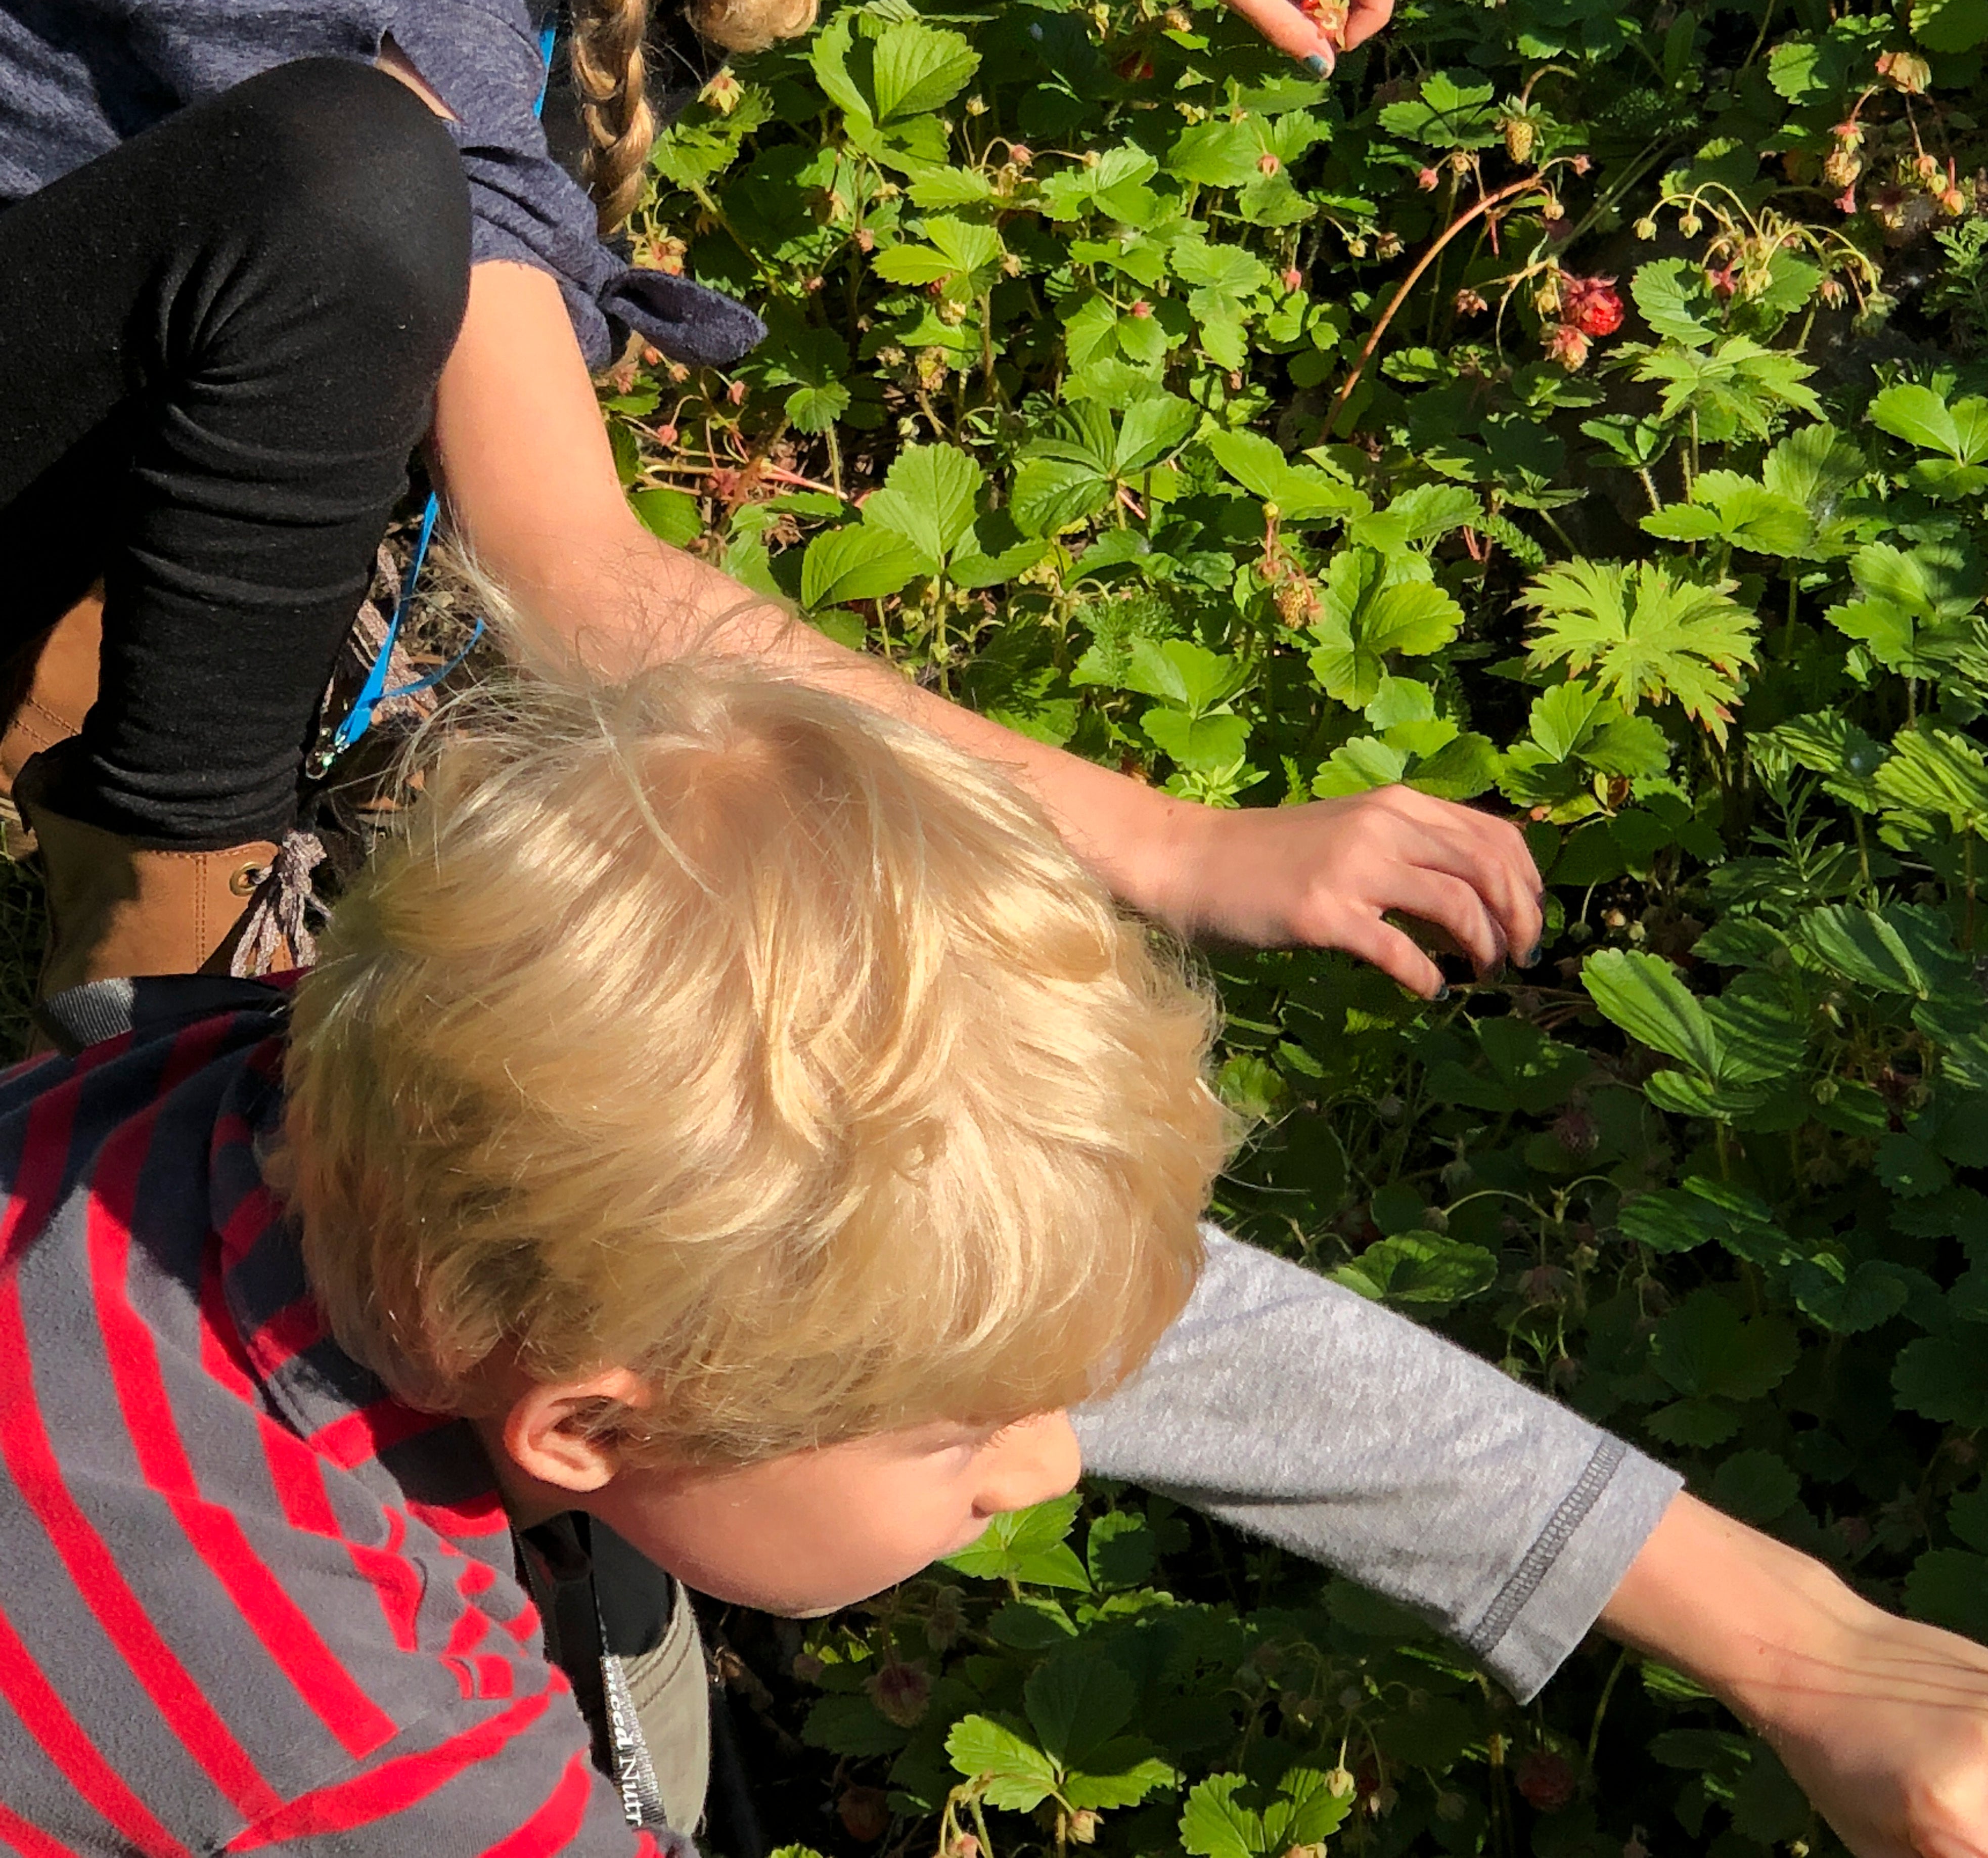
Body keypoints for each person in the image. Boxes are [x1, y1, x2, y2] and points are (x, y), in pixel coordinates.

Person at [0, 0, 1540, 1014]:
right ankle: (160, 948)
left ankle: (81, 645)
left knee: (348, 209)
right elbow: (581, 585)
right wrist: (1179, 847)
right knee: (356, 199)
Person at [3, 658, 1984, 1856]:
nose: (1045, 1465)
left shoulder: (356, 1085)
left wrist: (1800, 1645)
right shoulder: (353, 1729)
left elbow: (1078, 1322)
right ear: (592, 1421)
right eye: (970, 1436)